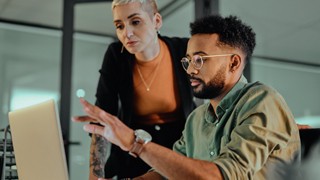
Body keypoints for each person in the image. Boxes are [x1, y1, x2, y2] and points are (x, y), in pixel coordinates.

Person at [74, 15, 301, 179]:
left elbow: (221, 177)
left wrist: (135, 143)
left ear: (233, 62)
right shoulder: (196, 119)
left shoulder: (261, 100)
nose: (191, 69)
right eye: (188, 60)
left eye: (200, 59)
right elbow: (166, 174)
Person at [87, 0, 195, 179]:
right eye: (119, 26)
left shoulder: (184, 50)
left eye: (135, 22)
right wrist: (94, 175)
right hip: (133, 149)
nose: (126, 33)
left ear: (157, 21)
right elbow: (103, 116)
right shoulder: (116, 55)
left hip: (179, 147)